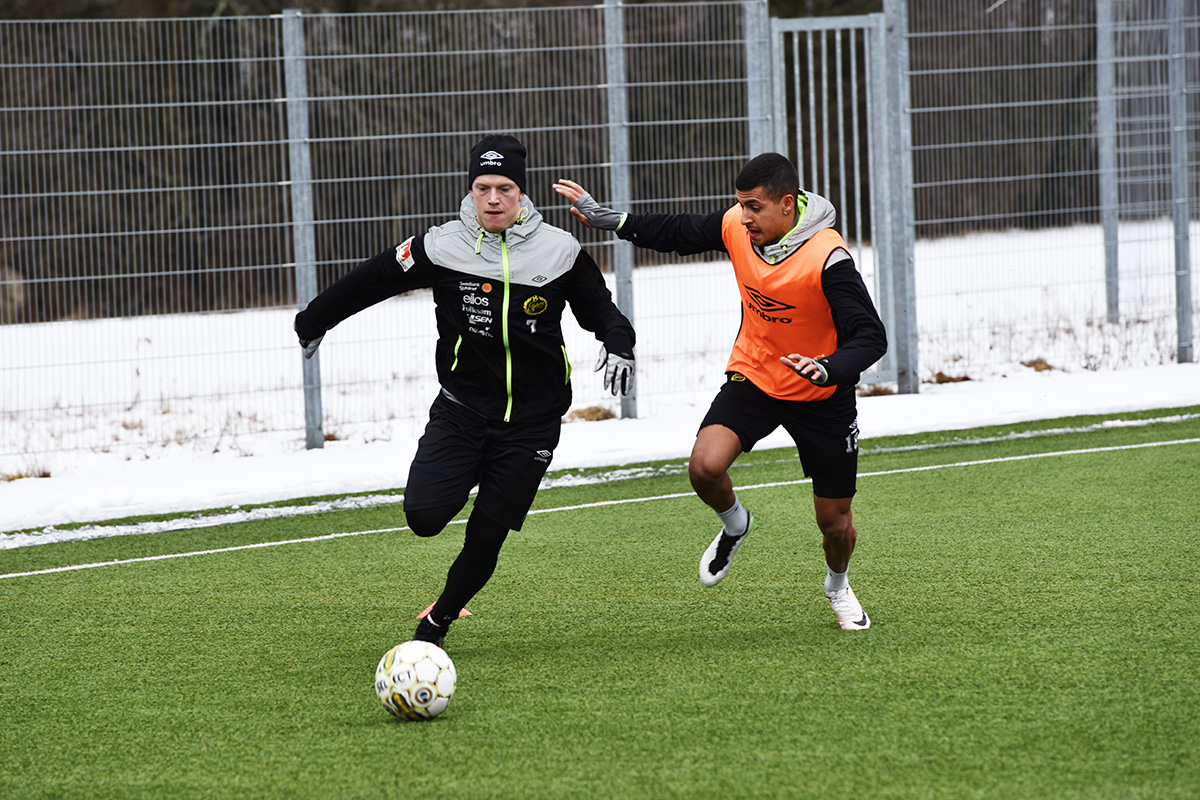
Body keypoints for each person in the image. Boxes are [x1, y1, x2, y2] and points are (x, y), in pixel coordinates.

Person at [295, 134, 636, 648]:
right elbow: (370, 280)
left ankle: (435, 626)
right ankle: (467, 476)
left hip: (533, 423)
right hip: (462, 412)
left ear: (521, 193)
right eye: (483, 188)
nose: (493, 199)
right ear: (471, 190)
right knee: (424, 518)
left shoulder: (560, 251)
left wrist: (619, 342)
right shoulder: (440, 246)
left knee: (488, 530)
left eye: (504, 188)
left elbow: (600, 309)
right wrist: (313, 320)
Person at [553, 153, 886, 630]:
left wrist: (827, 369)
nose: (743, 216)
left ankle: (838, 586)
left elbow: (870, 336)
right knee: (704, 468)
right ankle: (735, 523)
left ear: (787, 204)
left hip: (821, 394)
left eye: (754, 206)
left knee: (834, 523)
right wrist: (615, 221)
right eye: (740, 205)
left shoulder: (828, 258)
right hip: (756, 375)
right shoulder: (738, 226)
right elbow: (679, 231)